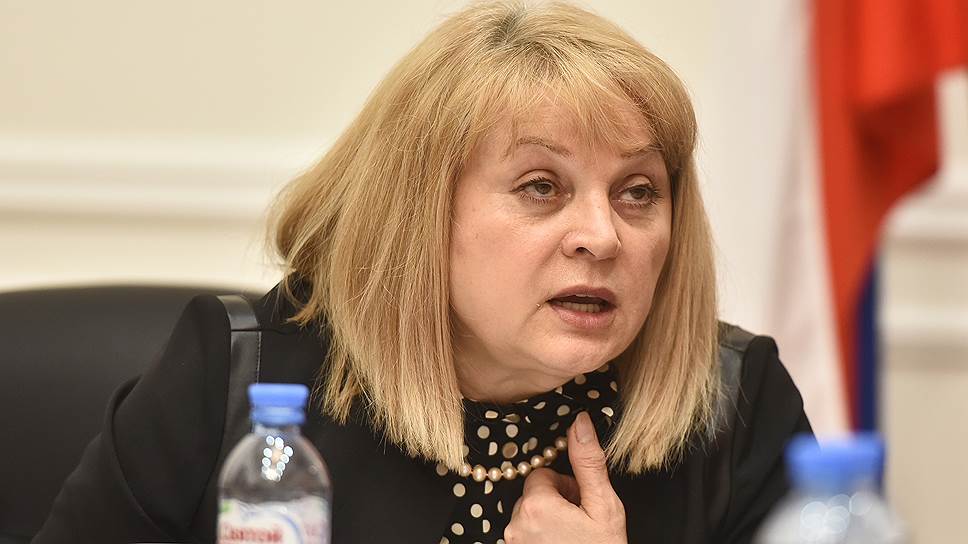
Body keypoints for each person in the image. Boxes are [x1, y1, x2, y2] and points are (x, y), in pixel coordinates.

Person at [34, 1, 811, 543]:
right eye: (541, 187)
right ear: (420, 211)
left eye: (637, 191)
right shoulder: (239, 381)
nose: (602, 237)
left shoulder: (736, 410)